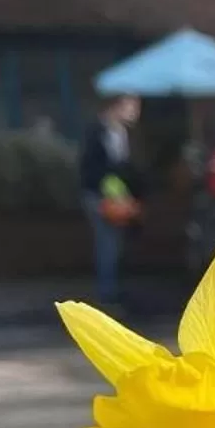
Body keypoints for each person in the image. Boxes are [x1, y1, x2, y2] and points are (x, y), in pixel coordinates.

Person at [79, 94, 141, 307]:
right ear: (116, 106)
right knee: (107, 244)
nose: (135, 111)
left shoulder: (121, 133)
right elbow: (93, 168)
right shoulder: (97, 131)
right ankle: (107, 293)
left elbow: (123, 169)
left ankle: (114, 289)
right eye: (131, 105)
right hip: (98, 197)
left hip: (116, 198)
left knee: (115, 244)